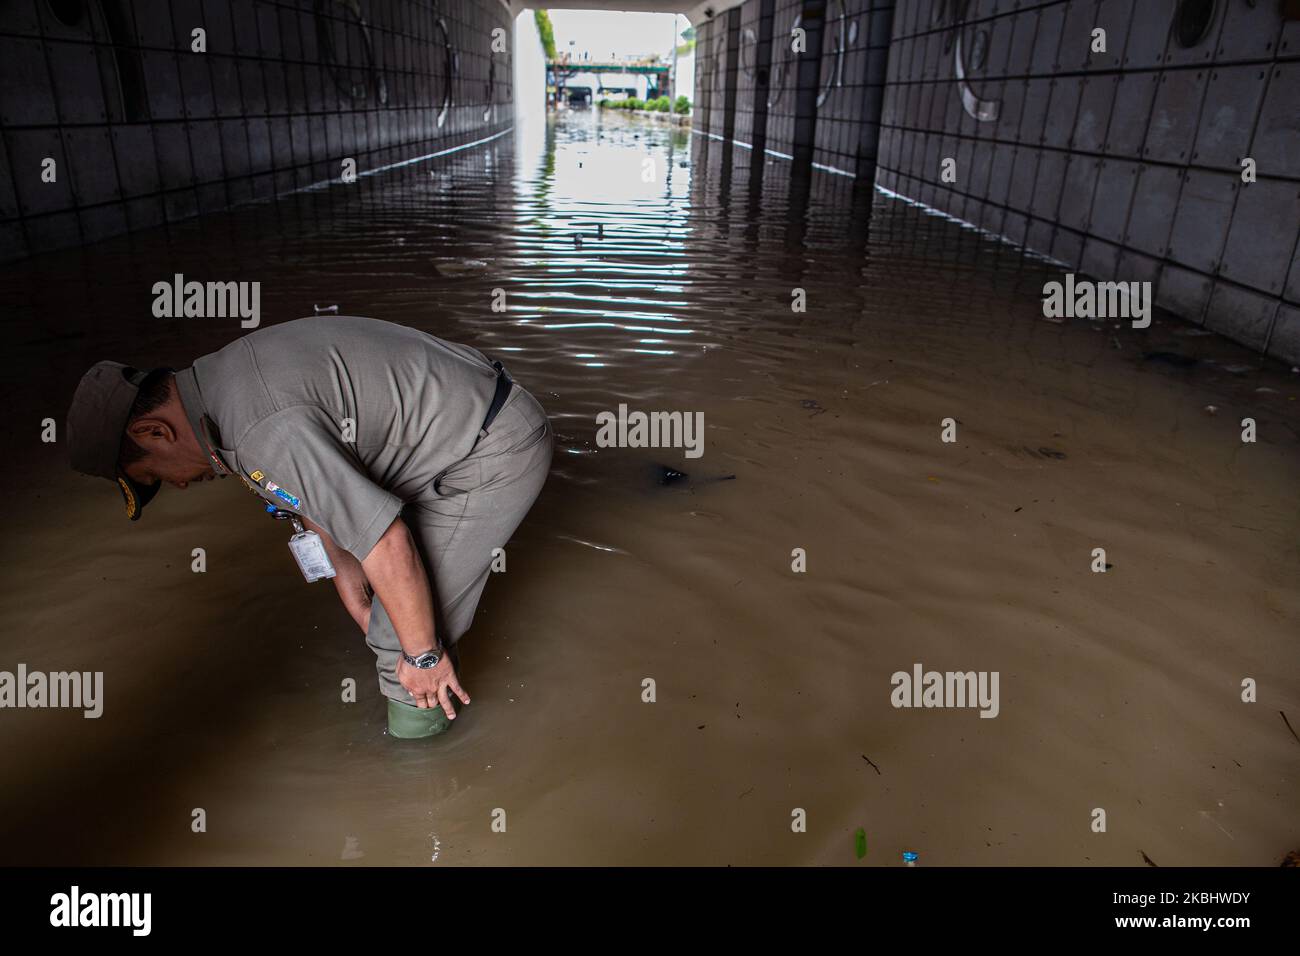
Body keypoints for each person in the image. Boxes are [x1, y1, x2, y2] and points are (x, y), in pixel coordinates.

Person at [66, 315, 553, 739]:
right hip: (454, 423)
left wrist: (421, 655)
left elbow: (386, 541)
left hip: (491, 449)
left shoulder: (257, 429)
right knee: (391, 615)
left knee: (400, 641)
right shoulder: (221, 385)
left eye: (155, 475)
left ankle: (420, 780)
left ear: (154, 432)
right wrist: (357, 597)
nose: (178, 486)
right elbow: (314, 503)